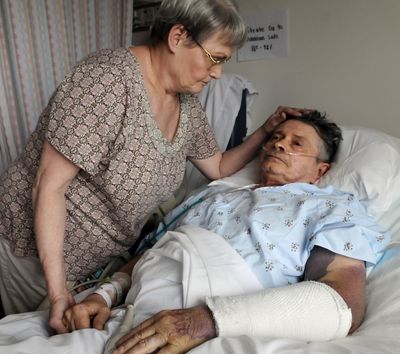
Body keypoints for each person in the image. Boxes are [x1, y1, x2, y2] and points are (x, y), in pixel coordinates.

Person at [0, 0, 307, 333]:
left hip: (96, 262)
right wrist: (58, 292)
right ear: (177, 37)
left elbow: (218, 166)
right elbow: (50, 185)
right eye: (215, 58)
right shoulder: (108, 80)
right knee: (26, 334)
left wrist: (266, 129)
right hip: (35, 255)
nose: (218, 73)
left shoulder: (186, 105)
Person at [61, 111, 389, 354]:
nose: (279, 146)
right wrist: (103, 295)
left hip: (208, 329)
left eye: (296, 143)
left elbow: (340, 306)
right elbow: (157, 252)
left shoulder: (334, 207)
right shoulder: (218, 194)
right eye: (276, 138)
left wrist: (204, 321)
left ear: (322, 170)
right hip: (127, 316)